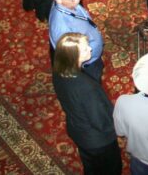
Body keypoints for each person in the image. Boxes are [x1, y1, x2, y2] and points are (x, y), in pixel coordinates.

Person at [51, 32, 121, 175]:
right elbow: (102, 121)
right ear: (72, 56)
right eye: (84, 49)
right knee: (111, 168)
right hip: (98, 141)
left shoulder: (58, 71)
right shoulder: (87, 87)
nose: (90, 49)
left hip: (77, 130)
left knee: (91, 165)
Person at [49, 0, 105, 82]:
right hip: (88, 64)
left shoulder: (68, 4)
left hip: (92, 52)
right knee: (94, 81)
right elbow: (72, 58)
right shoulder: (62, 30)